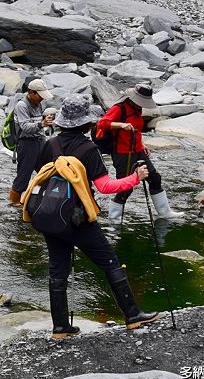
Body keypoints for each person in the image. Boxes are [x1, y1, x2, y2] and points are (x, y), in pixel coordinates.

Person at [32, 94, 160, 338]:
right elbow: (105, 186)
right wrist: (136, 178)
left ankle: (60, 327)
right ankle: (132, 315)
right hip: (78, 217)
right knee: (109, 261)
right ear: (86, 124)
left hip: (50, 215)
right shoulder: (88, 148)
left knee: (57, 270)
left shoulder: (50, 145)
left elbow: (41, 173)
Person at [96, 82, 183, 221]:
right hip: (122, 153)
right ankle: (114, 220)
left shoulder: (137, 109)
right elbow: (102, 123)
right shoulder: (119, 108)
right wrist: (121, 125)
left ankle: (164, 212)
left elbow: (136, 130)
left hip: (138, 151)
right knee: (125, 188)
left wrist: (142, 145)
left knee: (154, 179)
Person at [9, 78, 54, 207]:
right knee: (23, 177)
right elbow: (25, 127)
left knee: (46, 172)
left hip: (40, 142)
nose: (42, 98)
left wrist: (45, 121)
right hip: (26, 144)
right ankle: (14, 204)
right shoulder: (21, 105)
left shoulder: (39, 104)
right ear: (31, 92)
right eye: (40, 95)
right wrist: (42, 124)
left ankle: (40, 198)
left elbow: (38, 123)